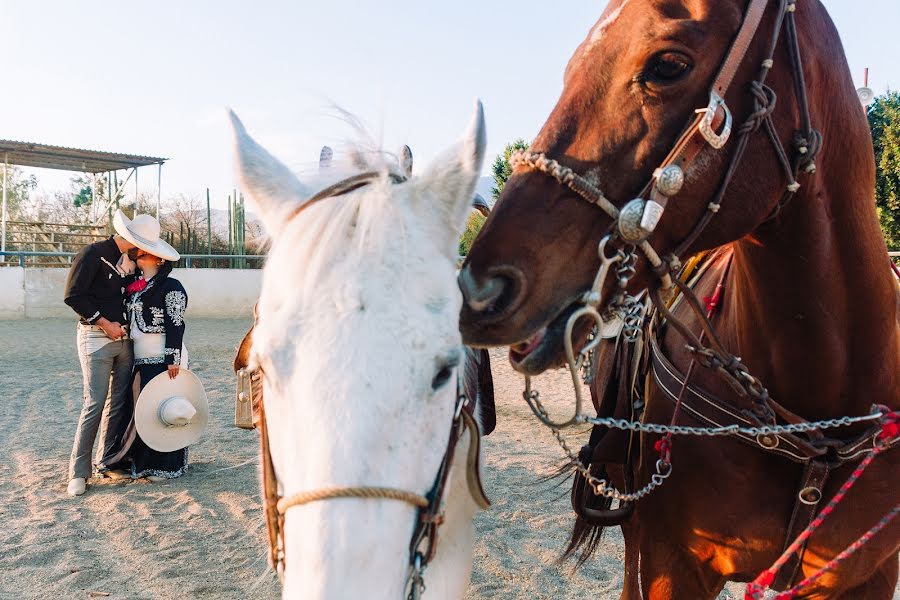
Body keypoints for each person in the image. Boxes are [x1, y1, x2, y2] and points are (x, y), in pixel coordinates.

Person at [63, 210, 144, 497]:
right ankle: (78, 472)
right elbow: (73, 295)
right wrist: (104, 323)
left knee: (118, 402)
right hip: (95, 338)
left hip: (124, 340)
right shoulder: (92, 254)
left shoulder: (130, 262)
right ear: (128, 240)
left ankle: (108, 461)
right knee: (94, 402)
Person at [102, 224, 190, 481]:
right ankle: (141, 462)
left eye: (143, 253)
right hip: (140, 356)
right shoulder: (136, 285)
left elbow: (176, 322)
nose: (137, 254)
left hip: (163, 356)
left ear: (157, 259)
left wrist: (172, 358)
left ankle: (165, 465)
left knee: (162, 408)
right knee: (141, 408)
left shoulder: (172, 286)